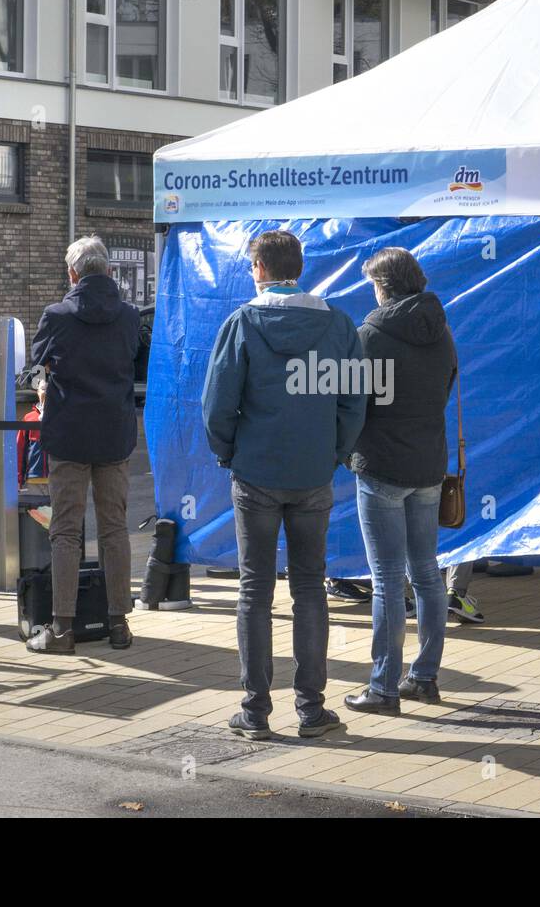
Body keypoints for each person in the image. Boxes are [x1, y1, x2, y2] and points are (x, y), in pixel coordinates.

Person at [202, 230, 366, 740]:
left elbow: (216, 404)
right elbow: (354, 401)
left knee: (255, 590)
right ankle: (311, 710)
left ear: (258, 268)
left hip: (255, 474)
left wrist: (229, 453)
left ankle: (255, 712)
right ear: (299, 266)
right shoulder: (338, 324)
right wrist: (334, 452)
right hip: (313, 474)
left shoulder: (242, 324)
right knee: (309, 589)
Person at [343, 248, 457, 715]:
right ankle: (424, 678)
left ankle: (384, 687)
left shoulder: (370, 335)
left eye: (373, 284)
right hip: (429, 466)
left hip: (382, 467)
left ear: (384, 287)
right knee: (427, 573)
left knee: (388, 579)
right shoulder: (441, 330)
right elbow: (446, 387)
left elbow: (352, 403)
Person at [27, 235, 141, 654]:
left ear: (72, 273)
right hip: (114, 434)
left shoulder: (56, 314)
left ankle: (61, 628)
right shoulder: (130, 317)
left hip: (70, 435)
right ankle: (118, 624)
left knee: (66, 533)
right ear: (108, 271)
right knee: (115, 529)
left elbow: (38, 363)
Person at [17, 378, 48, 486]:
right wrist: (18, 479)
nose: (46, 392)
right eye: (43, 389)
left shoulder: (64, 416)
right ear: (38, 391)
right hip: (34, 478)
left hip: (59, 478)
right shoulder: (29, 418)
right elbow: (20, 449)